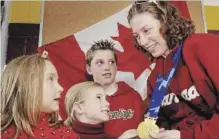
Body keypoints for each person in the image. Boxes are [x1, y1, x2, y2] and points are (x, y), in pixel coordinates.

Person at [128, 1, 219, 139]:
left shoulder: (204, 46)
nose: (142, 42)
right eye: (137, 36)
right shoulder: (154, 79)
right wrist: (145, 134)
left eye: (146, 30)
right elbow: (162, 123)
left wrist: (186, 136)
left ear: (166, 23)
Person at [1, 55, 79, 139]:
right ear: (26, 85)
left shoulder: (66, 135)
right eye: (50, 79)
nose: (61, 88)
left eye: (57, 80)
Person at [85, 40, 146, 138]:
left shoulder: (133, 96)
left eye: (111, 62)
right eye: (100, 63)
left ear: (117, 66)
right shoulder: (85, 103)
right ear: (89, 69)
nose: (107, 67)